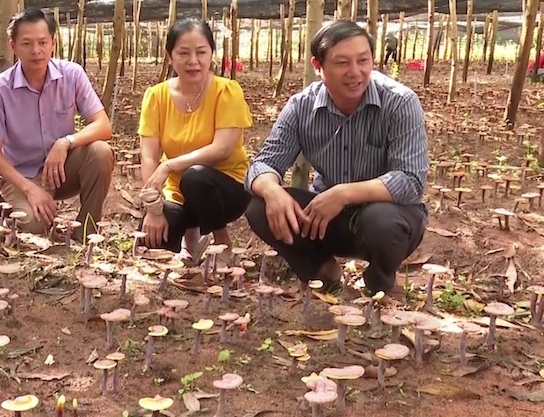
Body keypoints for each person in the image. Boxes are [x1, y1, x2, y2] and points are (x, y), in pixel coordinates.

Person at [244, 19, 428, 296]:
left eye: (363, 61)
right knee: (259, 205)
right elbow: (264, 163)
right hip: (325, 219)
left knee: (382, 221)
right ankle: (322, 271)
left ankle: (379, 285)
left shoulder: (400, 102)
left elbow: (411, 180)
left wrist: (343, 194)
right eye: (342, 63)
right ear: (318, 67)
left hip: (386, 217)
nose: (355, 72)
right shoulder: (300, 107)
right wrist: (271, 189)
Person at [0, 7, 115, 238]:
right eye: (27, 43)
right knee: (34, 225)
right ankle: (6, 201)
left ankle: (86, 233)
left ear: (53, 43)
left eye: (42, 42)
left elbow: (103, 125)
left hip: (61, 170)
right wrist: (30, 189)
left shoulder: (72, 75)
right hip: (21, 174)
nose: (36, 51)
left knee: (100, 152)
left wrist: (65, 142)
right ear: (13, 46)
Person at [137, 17, 253, 256]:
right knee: (152, 238)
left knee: (195, 177)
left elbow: (221, 149)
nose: (193, 61)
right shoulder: (156, 96)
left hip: (225, 187)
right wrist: (153, 208)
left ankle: (223, 247)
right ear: (170, 56)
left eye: (201, 52)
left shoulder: (226, 91)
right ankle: (191, 243)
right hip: (178, 190)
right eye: (183, 53)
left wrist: (169, 165)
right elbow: (148, 157)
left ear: (211, 53)